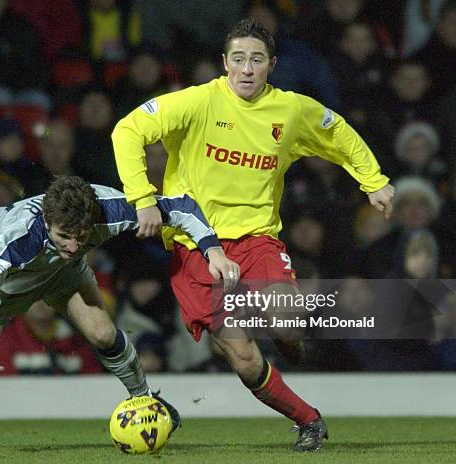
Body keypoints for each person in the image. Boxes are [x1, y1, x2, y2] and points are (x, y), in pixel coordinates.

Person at [112, 18, 395, 451]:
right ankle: (309, 420)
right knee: (243, 357)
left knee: (285, 321)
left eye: (256, 60)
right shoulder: (196, 102)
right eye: (239, 59)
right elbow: (128, 129)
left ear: (272, 65)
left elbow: (336, 130)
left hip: (257, 240)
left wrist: (372, 181)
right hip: (195, 247)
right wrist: (142, 196)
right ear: (224, 63)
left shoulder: (291, 110)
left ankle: (290, 341)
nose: (247, 68)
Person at [0, 174, 239, 447]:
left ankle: (144, 398)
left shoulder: (108, 208)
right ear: (47, 222)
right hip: (6, 287)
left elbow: (180, 207)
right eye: (65, 236)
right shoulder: (16, 236)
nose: (75, 245)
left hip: (63, 273)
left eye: (82, 236)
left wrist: (212, 250)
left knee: (104, 333)